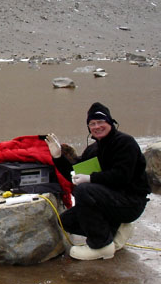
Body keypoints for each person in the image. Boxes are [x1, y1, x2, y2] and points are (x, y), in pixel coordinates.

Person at [45, 102, 151, 260]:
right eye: (92, 123)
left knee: (84, 190)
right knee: (67, 221)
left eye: (101, 122)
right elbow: (75, 175)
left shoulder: (125, 143)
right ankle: (117, 229)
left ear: (110, 122)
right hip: (108, 202)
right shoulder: (93, 149)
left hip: (130, 202)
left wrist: (91, 178)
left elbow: (122, 176)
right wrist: (58, 157)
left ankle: (101, 246)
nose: (97, 126)